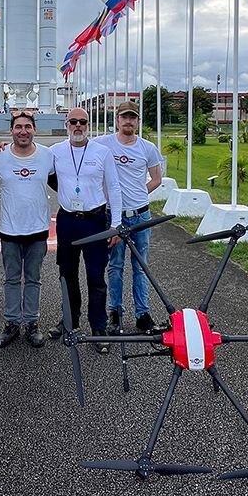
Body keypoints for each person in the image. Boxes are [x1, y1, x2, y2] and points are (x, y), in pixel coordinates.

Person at [49, 107, 122, 353]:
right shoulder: (55, 151)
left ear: (88, 125)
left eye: (82, 121)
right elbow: (31, 158)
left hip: (95, 220)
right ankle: (70, 320)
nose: (78, 125)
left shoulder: (102, 152)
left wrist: (115, 225)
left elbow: (114, 187)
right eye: (73, 121)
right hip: (68, 220)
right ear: (66, 124)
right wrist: (3, 148)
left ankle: (98, 327)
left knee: (96, 276)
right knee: (67, 274)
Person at [96, 101, 162, 333]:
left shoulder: (147, 148)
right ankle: (115, 312)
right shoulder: (103, 144)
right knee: (115, 266)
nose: (128, 121)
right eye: (124, 117)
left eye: (132, 118)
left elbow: (156, 179)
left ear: (137, 121)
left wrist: (139, 194)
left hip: (140, 216)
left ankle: (142, 313)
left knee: (140, 266)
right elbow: (75, 145)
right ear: (117, 120)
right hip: (114, 217)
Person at [0, 111, 54, 348]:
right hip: (10, 230)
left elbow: (64, 182)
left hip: (37, 229)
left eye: (28, 126)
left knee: (34, 279)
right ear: (11, 131)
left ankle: (32, 323)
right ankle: (12, 323)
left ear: (34, 130)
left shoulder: (47, 156)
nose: (23, 131)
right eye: (18, 127)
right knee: (12, 279)